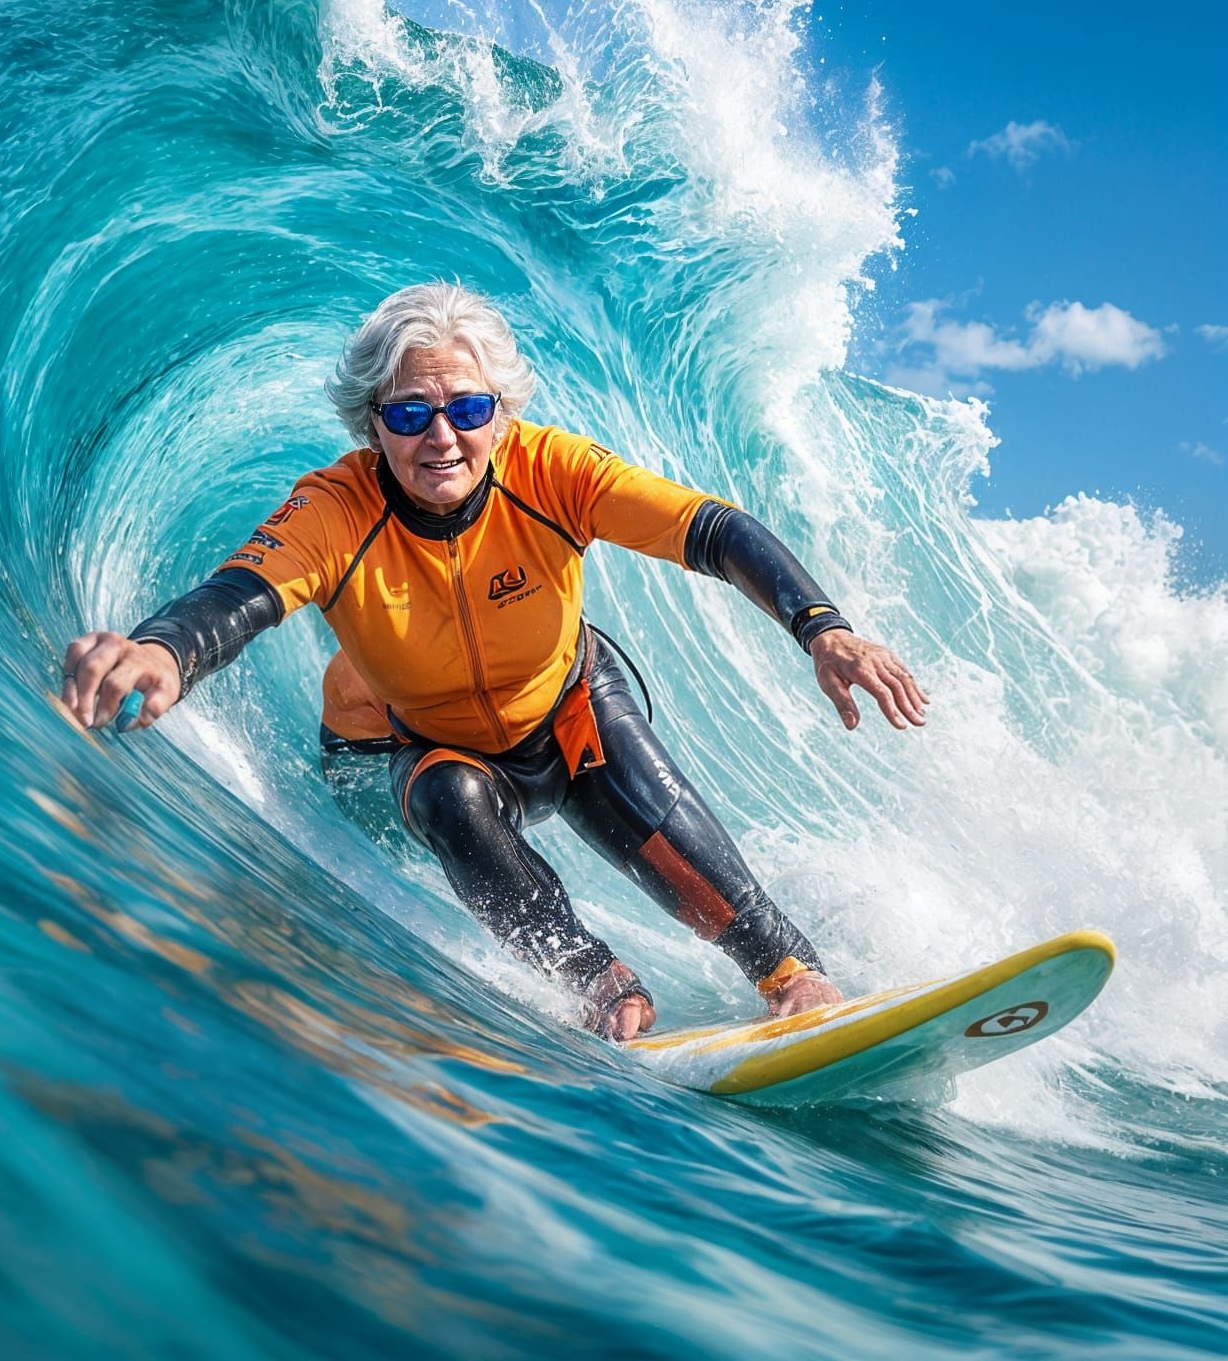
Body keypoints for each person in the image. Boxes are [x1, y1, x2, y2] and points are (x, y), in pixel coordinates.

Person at [61, 283, 928, 1042]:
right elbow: (242, 592)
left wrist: (822, 628)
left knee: (656, 814)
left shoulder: (552, 471)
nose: (441, 437)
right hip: (430, 746)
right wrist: (161, 651)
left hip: (568, 711)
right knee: (451, 795)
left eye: (467, 409)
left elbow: (712, 529)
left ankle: (793, 982)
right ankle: (598, 984)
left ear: (500, 414)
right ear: (374, 424)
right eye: (409, 414)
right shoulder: (336, 506)